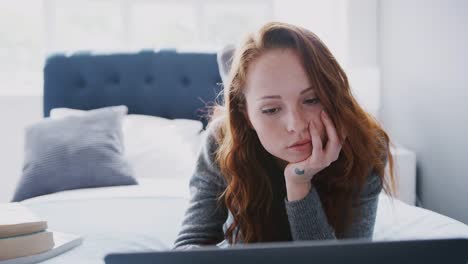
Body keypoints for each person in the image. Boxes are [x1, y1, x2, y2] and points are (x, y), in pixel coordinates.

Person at [174, 21, 396, 249]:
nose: (296, 125)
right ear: (247, 116)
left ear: (332, 97)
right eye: (271, 109)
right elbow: (187, 249)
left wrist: (299, 184)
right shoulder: (221, 142)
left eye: (312, 100)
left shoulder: (365, 148)